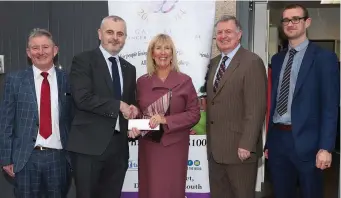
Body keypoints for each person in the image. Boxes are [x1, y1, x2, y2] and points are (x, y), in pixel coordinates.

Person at [265, 4, 340, 198]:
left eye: (295, 19)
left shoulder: (325, 58)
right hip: (278, 140)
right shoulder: (277, 59)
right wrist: (268, 143)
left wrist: (326, 147)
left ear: (307, 22)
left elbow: (330, 106)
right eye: (286, 20)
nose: (290, 24)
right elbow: (273, 101)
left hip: (310, 143)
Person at [67, 15, 138, 198]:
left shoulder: (129, 68)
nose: (115, 37)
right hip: (89, 148)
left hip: (119, 148)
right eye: (110, 32)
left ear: (125, 38)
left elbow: (128, 103)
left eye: (120, 34)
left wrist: (133, 110)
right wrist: (119, 105)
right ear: (100, 34)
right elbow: (82, 98)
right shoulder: (83, 60)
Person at [0, 28, 72, 197]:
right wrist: (6, 158)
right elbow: (6, 122)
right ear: (28, 52)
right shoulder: (14, 80)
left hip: (59, 158)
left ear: (55, 50)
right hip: (25, 158)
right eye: (35, 48)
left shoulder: (68, 79)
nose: (41, 52)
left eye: (46, 47)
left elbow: (74, 118)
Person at [128, 34, 200, 198]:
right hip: (150, 147)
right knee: (151, 190)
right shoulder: (142, 82)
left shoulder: (185, 81)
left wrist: (166, 120)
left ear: (172, 53)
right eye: (158, 48)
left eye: (167, 48)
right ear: (152, 53)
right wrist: (134, 119)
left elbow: (194, 114)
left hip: (175, 146)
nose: (163, 52)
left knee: (172, 190)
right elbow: (139, 112)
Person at [205, 15, 267, 198]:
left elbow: (256, 108)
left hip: (240, 151)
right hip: (215, 151)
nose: (223, 36)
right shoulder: (214, 63)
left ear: (239, 34)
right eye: (219, 32)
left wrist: (247, 144)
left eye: (228, 31)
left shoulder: (252, 62)